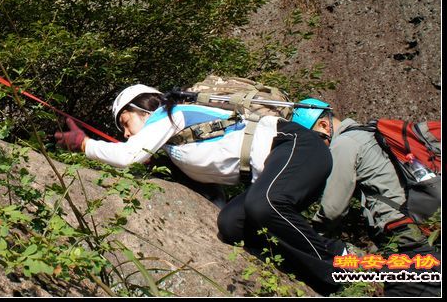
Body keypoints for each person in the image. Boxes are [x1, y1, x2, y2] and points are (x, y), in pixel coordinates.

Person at [55, 84, 346, 294]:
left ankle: (338, 270)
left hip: (294, 144)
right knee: (231, 224)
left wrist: (84, 145)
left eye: (126, 122)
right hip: (276, 168)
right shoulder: (177, 148)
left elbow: (128, 155)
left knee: (264, 203)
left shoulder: (171, 114)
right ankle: (323, 258)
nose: (126, 133)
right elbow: (215, 197)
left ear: (144, 107)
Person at [300, 99, 442, 297]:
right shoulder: (367, 134)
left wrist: (308, 235)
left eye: (314, 140)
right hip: (423, 232)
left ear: (324, 125)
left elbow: (333, 210)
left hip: (405, 241)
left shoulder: (344, 144)